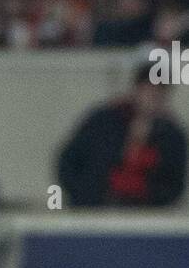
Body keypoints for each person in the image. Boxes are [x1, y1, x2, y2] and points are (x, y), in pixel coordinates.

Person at [57, 65, 187, 206]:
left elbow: (174, 183)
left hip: (145, 215)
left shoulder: (171, 136)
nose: (153, 98)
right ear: (136, 90)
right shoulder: (103, 122)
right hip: (96, 210)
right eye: (149, 91)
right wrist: (84, 195)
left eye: (159, 93)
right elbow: (68, 162)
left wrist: (150, 199)